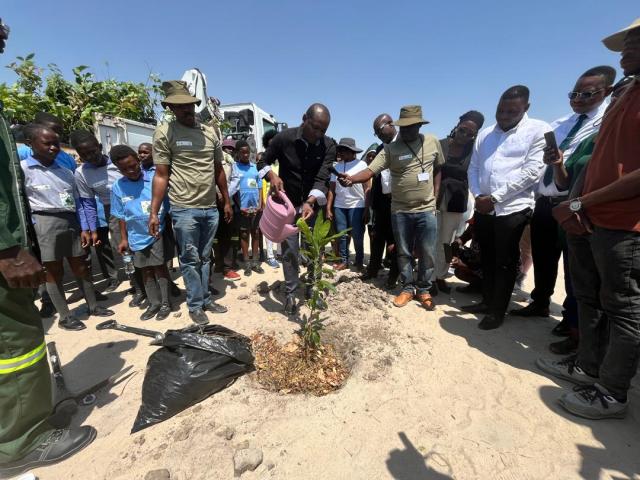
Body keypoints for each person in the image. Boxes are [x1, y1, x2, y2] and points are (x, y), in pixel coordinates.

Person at [0, 20, 96, 476]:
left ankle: (25, 422)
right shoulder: (28, 159)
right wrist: (6, 247)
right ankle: (20, 441)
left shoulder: (63, 165)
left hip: (41, 231)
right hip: (13, 244)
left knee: (19, 343)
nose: (4, 31)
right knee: (16, 346)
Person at [536, 19, 640, 420]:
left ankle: (613, 393)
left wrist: (581, 203)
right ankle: (587, 366)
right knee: (591, 298)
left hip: (625, 222)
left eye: (635, 42)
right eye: (625, 43)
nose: (623, 51)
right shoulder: (625, 94)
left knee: (624, 310)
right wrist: (577, 199)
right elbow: (599, 161)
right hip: (593, 216)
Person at [512, 66, 616, 321]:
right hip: (546, 202)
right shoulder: (560, 124)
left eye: (586, 94)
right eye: (574, 94)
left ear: (607, 92)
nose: (577, 100)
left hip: (574, 204)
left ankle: (572, 320)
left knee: (574, 265)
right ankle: (540, 302)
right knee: (545, 257)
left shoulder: (607, 123)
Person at [538, 76, 631, 355]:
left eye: (624, 96)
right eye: (617, 96)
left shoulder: (621, 135)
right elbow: (568, 181)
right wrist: (557, 164)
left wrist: (579, 204)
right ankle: (577, 335)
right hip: (573, 214)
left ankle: (589, 350)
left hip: (608, 223)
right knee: (578, 281)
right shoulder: (593, 137)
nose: (618, 101)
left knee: (606, 295)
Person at [339, 105, 444, 310]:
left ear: (419, 126)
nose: (405, 131)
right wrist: (351, 179)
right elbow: (370, 171)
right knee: (403, 252)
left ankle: (424, 289)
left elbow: (439, 168)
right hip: (400, 210)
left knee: (427, 252)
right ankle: (407, 287)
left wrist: (436, 197)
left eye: (410, 127)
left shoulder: (432, 141)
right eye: (402, 127)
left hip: (426, 209)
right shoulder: (390, 149)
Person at [464, 85, 550, 330]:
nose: (504, 116)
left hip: (513, 208)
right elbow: (474, 168)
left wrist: (496, 197)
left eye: (511, 111)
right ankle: (487, 301)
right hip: (484, 207)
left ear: (526, 108)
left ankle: (497, 310)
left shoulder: (538, 130)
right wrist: (479, 195)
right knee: (487, 257)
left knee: (505, 260)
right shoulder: (486, 134)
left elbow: (532, 171)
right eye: (500, 110)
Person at [150, 80, 232, 325]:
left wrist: (226, 201)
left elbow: (218, 169)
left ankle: (205, 298)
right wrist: (154, 212)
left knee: (206, 258)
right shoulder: (166, 132)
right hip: (184, 208)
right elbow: (161, 174)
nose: (186, 110)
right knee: (189, 259)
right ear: (170, 108)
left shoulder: (209, 132)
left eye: (189, 105)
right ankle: (195, 305)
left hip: (210, 208)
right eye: (179, 107)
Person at [21, 124, 114, 330]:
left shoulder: (66, 172)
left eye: (56, 144)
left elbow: (80, 202)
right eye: (48, 143)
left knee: (81, 265)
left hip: (71, 221)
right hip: (44, 222)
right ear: (31, 144)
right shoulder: (23, 170)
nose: (54, 148)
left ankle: (93, 306)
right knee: (53, 271)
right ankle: (65, 316)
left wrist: (84, 228)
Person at [256, 103, 336, 314]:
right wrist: (271, 175)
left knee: (313, 249)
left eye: (323, 130)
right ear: (304, 119)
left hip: (312, 206)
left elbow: (322, 177)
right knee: (290, 251)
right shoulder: (284, 138)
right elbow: (262, 162)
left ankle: (312, 289)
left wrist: (310, 201)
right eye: (315, 127)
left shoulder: (328, 145)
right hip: (287, 208)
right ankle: (291, 293)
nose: (318, 134)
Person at [17, 112, 77, 318]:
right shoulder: (23, 157)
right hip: (41, 220)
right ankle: (48, 300)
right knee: (48, 265)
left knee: (74, 259)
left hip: (68, 216)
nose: (55, 137)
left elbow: (72, 187)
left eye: (58, 133)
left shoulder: (66, 160)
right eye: (51, 131)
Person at [110, 145, 174, 321]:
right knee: (145, 271)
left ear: (138, 160)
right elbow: (121, 216)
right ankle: (153, 303)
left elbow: (167, 205)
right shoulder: (118, 187)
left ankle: (166, 303)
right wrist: (124, 239)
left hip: (156, 233)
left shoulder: (155, 179)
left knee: (160, 268)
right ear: (118, 169)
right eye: (125, 169)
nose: (131, 171)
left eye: (133, 165)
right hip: (135, 236)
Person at [433, 110, 485, 295]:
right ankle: (429, 277)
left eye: (471, 134)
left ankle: (441, 275)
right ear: (458, 125)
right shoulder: (440, 145)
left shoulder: (474, 151)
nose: (465, 136)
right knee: (432, 239)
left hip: (457, 201)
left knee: (447, 243)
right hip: (435, 198)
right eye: (463, 130)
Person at [71, 130, 123, 293]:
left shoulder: (117, 163)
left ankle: (137, 280)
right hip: (103, 209)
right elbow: (87, 202)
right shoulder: (81, 173)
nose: (90, 157)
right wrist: (91, 228)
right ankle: (112, 277)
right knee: (102, 245)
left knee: (123, 244)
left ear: (100, 147)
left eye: (93, 151)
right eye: (84, 154)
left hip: (124, 207)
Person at [361, 114, 398, 289]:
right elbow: (376, 176)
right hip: (382, 201)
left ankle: (393, 276)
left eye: (380, 130)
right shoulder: (381, 148)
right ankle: (373, 269)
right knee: (377, 238)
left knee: (396, 240)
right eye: (376, 133)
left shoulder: (404, 144)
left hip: (399, 201)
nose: (379, 135)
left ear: (391, 124)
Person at [327, 138, 369, 271]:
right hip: (339, 205)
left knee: (357, 234)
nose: (341, 153)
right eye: (340, 150)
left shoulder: (362, 165)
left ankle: (359, 260)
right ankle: (344, 261)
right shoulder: (337, 167)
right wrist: (329, 208)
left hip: (357, 205)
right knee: (342, 235)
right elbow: (332, 190)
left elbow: (367, 188)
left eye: (344, 150)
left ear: (352, 152)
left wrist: (367, 209)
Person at [229, 139, 264, 276]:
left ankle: (255, 262)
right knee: (244, 234)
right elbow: (234, 190)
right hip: (241, 208)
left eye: (247, 152)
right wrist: (240, 207)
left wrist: (260, 205)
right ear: (237, 153)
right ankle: (247, 263)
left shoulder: (254, 167)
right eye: (242, 152)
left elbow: (260, 187)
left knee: (255, 233)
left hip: (255, 208)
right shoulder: (234, 167)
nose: (245, 155)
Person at [213, 138, 241, 281]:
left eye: (231, 148)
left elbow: (236, 180)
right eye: (226, 147)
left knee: (227, 236)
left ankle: (227, 267)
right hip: (210, 202)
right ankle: (217, 263)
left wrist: (225, 195)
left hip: (226, 204)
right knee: (213, 238)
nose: (229, 150)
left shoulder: (231, 162)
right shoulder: (211, 156)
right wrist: (215, 194)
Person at [258, 130, 280, 269]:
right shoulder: (264, 163)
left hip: (282, 201)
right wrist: (264, 202)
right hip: (269, 201)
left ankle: (280, 253)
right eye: (270, 144)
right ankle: (270, 256)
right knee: (270, 230)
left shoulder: (281, 162)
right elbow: (262, 184)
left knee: (281, 228)